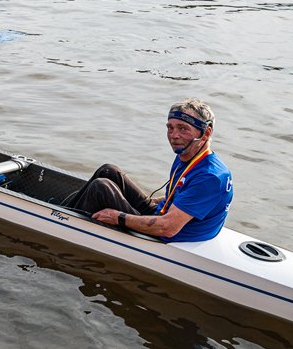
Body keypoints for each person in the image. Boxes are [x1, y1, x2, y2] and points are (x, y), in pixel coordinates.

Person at [66, 99, 233, 242]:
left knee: (101, 187)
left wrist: (118, 217)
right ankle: (66, 209)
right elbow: (181, 195)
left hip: (168, 233)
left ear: (206, 133)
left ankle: (62, 220)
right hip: (164, 214)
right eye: (170, 127)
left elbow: (168, 228)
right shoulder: (189, 155)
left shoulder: (209, 177)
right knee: (109, 171)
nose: (174, 135)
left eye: (183, 128)